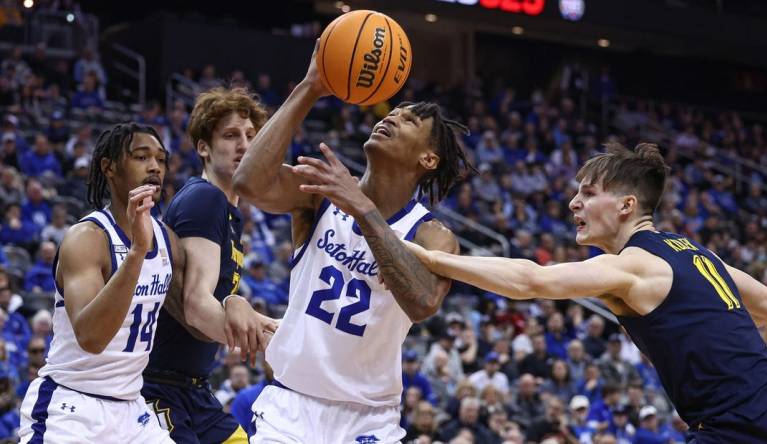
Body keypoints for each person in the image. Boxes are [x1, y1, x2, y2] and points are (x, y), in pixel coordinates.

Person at [405, 143, 767, 443]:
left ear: (626, 205)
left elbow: (531, 280)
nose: (574, 202)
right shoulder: (694, 251)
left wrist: (434, 260)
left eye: (588, 193)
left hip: (736, 427)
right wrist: (761, 389)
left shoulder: (633, 265)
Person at [232, 40, 473, 442]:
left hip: (368, 419)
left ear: (428, 160)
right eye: (392, 112)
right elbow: (248, 183)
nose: (391, 118)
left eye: (409, 121)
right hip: (292, 405)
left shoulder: (432, 234)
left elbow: (422, 302)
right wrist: (309, 86)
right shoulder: (321, 193)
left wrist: (363, 209)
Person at [17, 123, 179, 442]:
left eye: (160, 159)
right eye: (141, 157)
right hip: (72, 406)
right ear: (109, 168)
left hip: (133, 410)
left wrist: (238, 311)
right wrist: (136, 254)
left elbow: (193, 308)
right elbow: (91, 338)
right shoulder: (87, 238)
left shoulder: (168, 239)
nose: (154, 167)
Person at [142, 87, 277, 444]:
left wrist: (287, 330)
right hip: (156, 385)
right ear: (203, 147)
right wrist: (278, 347)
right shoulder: (205, 199)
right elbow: (197, 307)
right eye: (231, 135)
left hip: (193, 390)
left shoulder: (230, 213)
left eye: (251, 136)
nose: (244, 146)